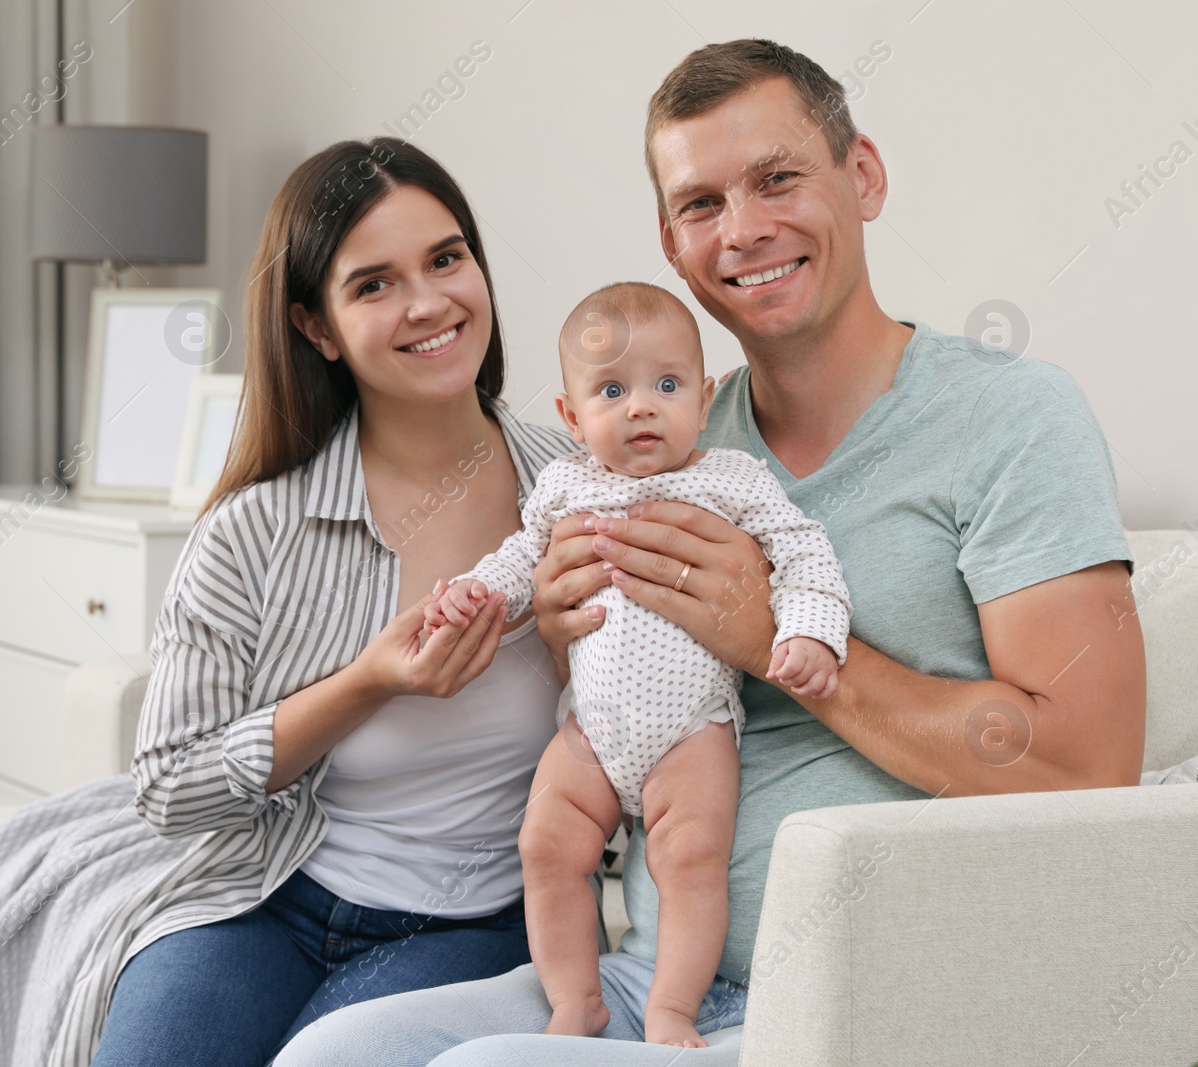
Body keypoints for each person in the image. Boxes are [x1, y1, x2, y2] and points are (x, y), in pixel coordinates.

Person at [274, 37, 1144, 1067]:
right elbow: (628, 697)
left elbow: (1085, 770)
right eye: (700, 205)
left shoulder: (1010, 417)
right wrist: (564, 633)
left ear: (860, 176)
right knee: (329, 1056)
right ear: (670, 243)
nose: (743, 230)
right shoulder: (658, 447)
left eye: (777, 178)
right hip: (656, 975)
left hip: (877, 992)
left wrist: (778, 633)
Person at [86, 135, 588, 1067]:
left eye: (446, 258)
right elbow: (164, 784)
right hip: (266, 895)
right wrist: (367, 682)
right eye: (374, 284)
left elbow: (657, 716)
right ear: (316, 327)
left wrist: (565, 646)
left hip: (470, 921)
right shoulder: (254, 529)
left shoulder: (580, 491)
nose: (430, 303)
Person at [427, 281, 850, 1047]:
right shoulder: (566, 486)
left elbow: (801, 549)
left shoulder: (731, 480)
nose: (642, 407)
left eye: (666, 385)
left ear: (705, 395)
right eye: (612, 390)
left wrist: (810, 632)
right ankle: (575, 999)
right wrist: (475, 590)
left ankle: (672, 1008)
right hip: (590, 729)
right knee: (546, 845)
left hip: (693, 732)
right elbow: (524, 557)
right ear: (571, 416)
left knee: (689, 855)